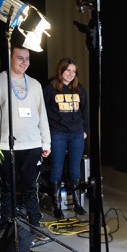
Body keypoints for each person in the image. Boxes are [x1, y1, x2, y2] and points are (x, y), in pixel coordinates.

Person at [0, 44, 51, 229]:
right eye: (20, 58)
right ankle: (6, 228)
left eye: (27, 59)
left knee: (31, 188)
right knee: (7, 190)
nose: (25, 62)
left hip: (32, 145)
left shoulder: (35, 84)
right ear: (10, 58)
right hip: (5, 146)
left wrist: (46, 142)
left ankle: (34, 224)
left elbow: (42, 115)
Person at [43, 57, 89, 217]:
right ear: (61, 70)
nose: (71, 74)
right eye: (68, 70)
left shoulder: (79, 89)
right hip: (57, 133)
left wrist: (85, 130)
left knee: (75, 169)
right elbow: (42, 111)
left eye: (73, 71)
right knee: (56, 168)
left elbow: (85, 111)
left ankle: (77, 204)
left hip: (76, 133)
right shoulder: (50, 88)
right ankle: (57, 207)